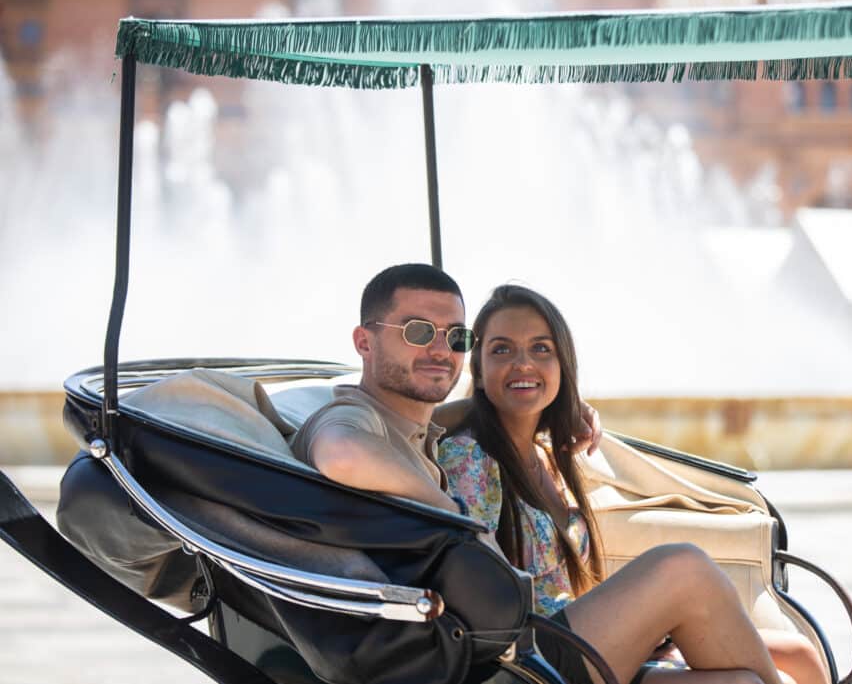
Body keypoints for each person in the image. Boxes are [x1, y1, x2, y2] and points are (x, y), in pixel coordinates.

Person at [294, 264, 785, 684]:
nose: (440, 350)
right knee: (683, 567)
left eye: (456, 337)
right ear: (364, 341)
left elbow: (465, 414)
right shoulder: (357, 419)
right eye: (418, 331)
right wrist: (455, 515)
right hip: (501, 663)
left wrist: (550, 413)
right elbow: (341, 453)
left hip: (509, 646)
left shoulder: (417, 430)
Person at [436, 284, 826, 684]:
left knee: (797, 655)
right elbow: (481, 593)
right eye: (502, 349)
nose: (523, 363)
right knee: (683, 566)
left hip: (578, 637)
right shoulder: (469, 458)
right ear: (478, 373)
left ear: (562, 366)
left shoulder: (549, 458)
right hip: (529, 656)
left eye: (541, 349)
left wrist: (642, 628)